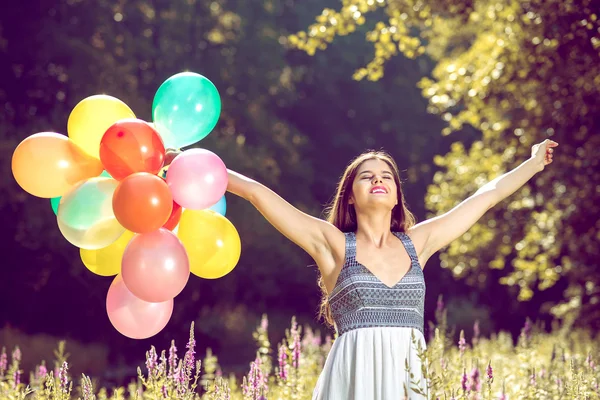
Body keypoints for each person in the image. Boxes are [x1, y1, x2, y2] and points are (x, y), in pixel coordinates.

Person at [166, 138, 557, 399]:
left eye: (386, 176)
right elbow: (257, 193)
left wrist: (533, 163)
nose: (378, 179)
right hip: (351, 381)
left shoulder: (418, 244)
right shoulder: (334, 245)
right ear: (351, 196)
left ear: (396, 195)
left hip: (408, 380)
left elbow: (484, 197)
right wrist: (186, 165)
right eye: (367, 176)